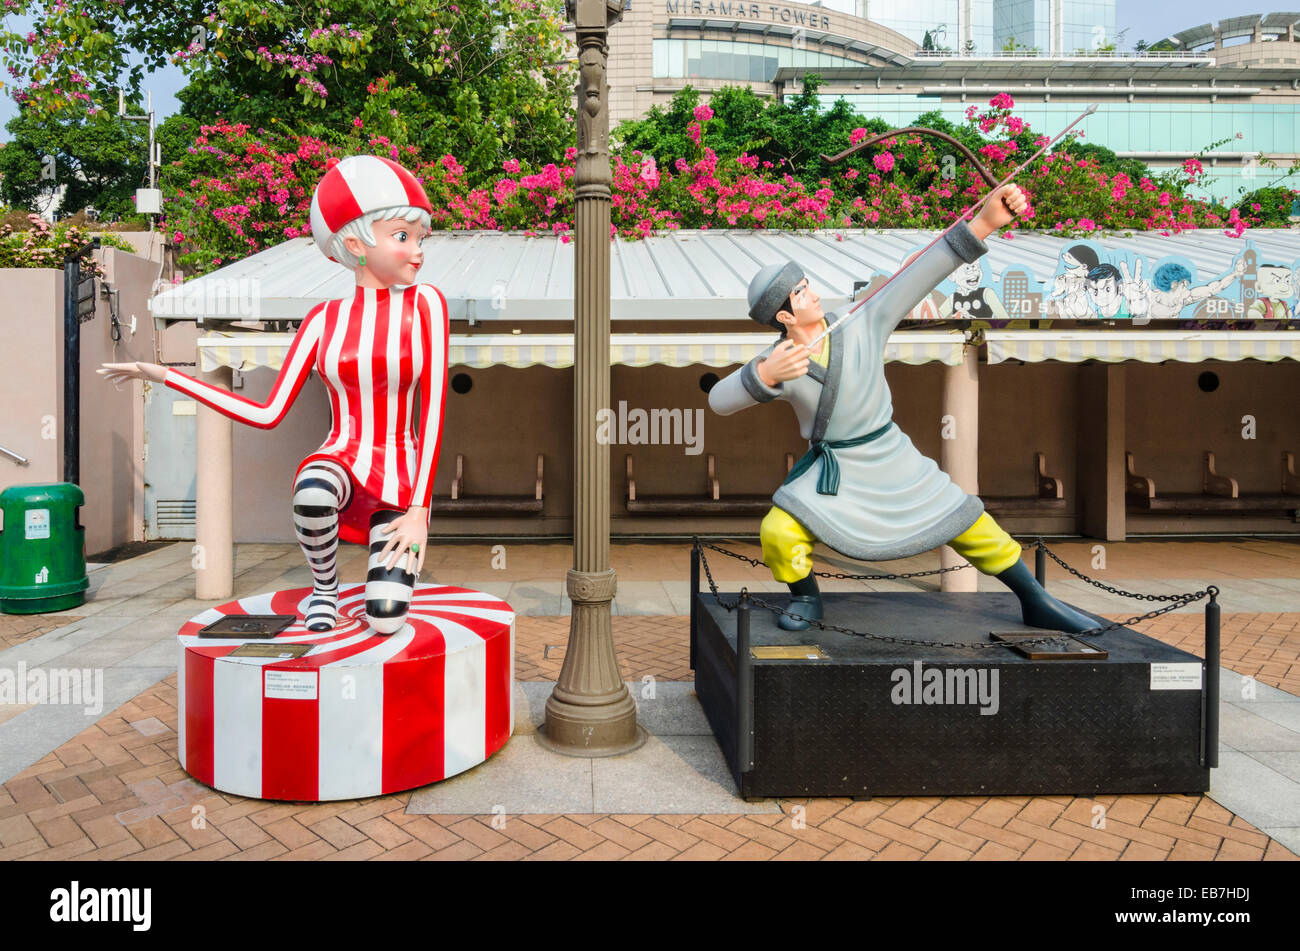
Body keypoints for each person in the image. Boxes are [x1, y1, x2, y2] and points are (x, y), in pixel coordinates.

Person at [707, 184, 1094, 634]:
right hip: (835, 469)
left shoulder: (860, 320)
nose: (812, 296)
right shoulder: (781, 362)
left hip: (889, 453)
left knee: (966, 518)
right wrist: (766, 374)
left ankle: (1034, 597)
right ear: (785, 317)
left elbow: (915, 276)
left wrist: (986, 221)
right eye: (799, 294)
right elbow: (718, 401)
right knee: (778, 530)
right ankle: (807, 598)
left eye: (807, 286)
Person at [98, 155, 450, 635]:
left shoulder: (426, 304)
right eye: (402, 237)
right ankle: (324, 587)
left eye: (419, 239)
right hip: (341, 458)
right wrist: (164, 375)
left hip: (401, 477)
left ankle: (377, 570)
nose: (417, 252)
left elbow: (433, 410)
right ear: (354, 243)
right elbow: (267, 413)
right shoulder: (322, 320)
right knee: (312, 491)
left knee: (385, 619)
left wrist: (418, 512)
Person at [1148, 258, 1245, 319]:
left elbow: (1213, 288)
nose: (1186, 289)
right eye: (1184, 285)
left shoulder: (1183, 299)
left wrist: (1235, 274)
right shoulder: (1149, 298)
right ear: (1174, 284)